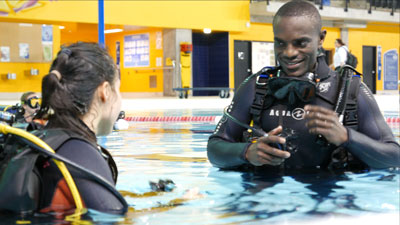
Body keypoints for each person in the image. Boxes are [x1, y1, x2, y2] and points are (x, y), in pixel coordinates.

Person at [207, 0, 400, 172]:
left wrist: (347, 137)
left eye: (301, 43)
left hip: (328, 204)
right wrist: (247, 152)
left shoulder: (350, 90)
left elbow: (394, 156)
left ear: (321, 39)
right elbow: (214, 148)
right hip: (267, 202)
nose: (289, 53)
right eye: (280, 43)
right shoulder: (257, 86)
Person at [33, 42, 126, 214]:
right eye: (119, 89)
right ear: (105, 91)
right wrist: (179, 204)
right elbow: (112, 216)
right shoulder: (80, 153)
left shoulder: (44, 139)